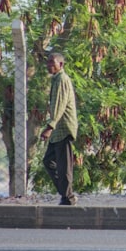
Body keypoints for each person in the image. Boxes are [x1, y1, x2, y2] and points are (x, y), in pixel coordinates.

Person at [40, 51, 78, 206]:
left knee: (64, 166)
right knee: (49, 161)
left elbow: (59, 105)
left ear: (60, 64)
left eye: (52, 62)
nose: (49, 65)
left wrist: (50, 126)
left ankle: (68, 197)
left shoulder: (62, 79)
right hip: (57, 130)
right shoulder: (56, 80)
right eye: (48, 62)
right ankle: (66, 194)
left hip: (63, 128)